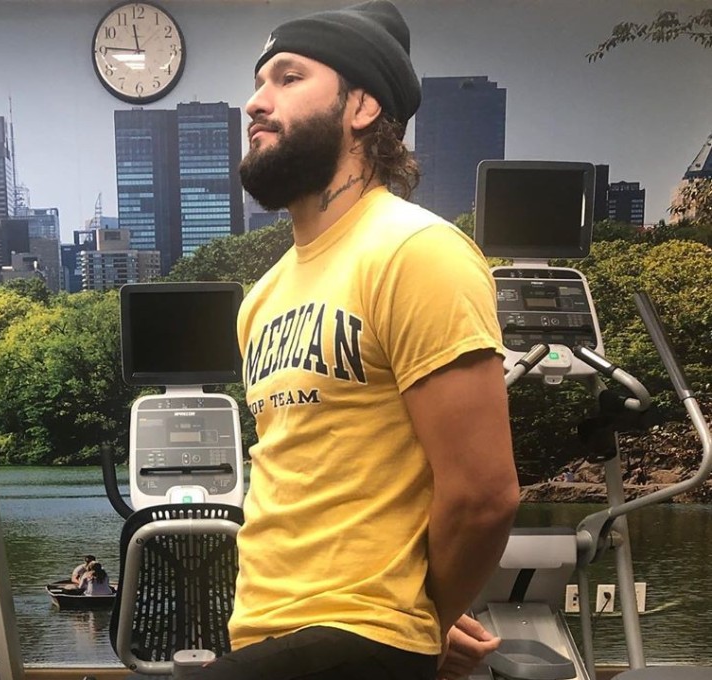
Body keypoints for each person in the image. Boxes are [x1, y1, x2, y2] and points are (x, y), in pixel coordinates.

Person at [182, 2, 520, 679]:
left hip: (355, 641)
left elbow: (485, 494)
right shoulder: (262, 298)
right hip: (263, 633)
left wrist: (416, 623)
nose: (255, 102)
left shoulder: (416, 251)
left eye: (287, 77)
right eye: (258, 82)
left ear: (362, 106)